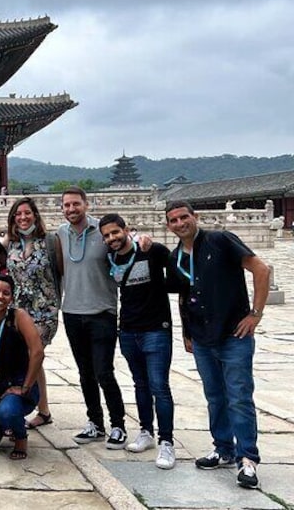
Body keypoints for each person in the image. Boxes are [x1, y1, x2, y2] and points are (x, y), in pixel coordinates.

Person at [166, 201, 269, 489]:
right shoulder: (177, 257)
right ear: (168, 226)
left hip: (234, 334)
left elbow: (261, 269)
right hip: (201, 338)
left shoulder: (221, 240)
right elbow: (184, 296)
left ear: (194, 217)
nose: (179, 223)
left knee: (239, 396)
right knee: (214, 396)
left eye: (183, 217)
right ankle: (223, 448)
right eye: (173, 220)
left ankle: (247, 457)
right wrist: (186, 331)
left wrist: (255, 314)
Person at [100, 213, 176, 469]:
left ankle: (167, 442)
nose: (112, 238)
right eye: (107, 235)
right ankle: (146, 431)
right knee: (140, 384)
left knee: (159, 387)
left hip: (156, 328)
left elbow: (179, 269)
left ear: (126, 230)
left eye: (115, 232)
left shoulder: (151, 250)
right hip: (129, 329)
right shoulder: (111, 257)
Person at [57, 186, 126, 448]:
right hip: (72, 312)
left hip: (102, 312)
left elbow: (126, 249)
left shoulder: (104, 231)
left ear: (86, 204)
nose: (71, 209)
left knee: (104, 372)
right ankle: (95, 422)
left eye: (76, 204)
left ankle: (118, 424)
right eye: (66, 205)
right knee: (85, 372)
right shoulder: (60, 235)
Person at [2, 197, 62, 429]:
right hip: (19, 309)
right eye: (18, 214)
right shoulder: (12, 243)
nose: (23, 218)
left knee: (32, 354)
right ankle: (43, 410)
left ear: (36, 215)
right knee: (30, 359)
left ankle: (23, 399)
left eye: (27, 213)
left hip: (45, 309)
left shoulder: (49, 241)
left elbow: (63, 271)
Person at [0, 276, 44, 460]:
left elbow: (37, 352)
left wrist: (25, 387)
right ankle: (5, 423)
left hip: (19, 384)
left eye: (6, 293)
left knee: (7, 412)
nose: (0, 296)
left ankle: (20, 436)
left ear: (11, 297)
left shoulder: (18, 317)